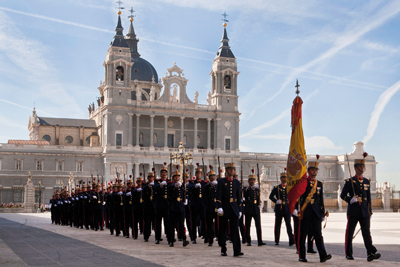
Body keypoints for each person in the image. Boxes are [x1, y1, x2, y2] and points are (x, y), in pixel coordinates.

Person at [340, 154, 381, 262]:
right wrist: (351, 200)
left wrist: (370, 211)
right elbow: (342, 195)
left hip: (364, 211)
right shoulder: (350, 182)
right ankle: (349, 253)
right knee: (350, 233)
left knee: (366, 233)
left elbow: (368, 198)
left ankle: (370, 253)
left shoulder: (367, 182)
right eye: (360, 167)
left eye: (363, 167)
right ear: (355, 167)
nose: (362, 168)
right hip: (353, 211)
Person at [295, 160, 331, 263]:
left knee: (318, 234)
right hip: (305, 212)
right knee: (303, 235)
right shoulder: (303, 182)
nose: (315, 172)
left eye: (316, 170)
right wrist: (296, 210)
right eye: (313, 170)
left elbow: (321, 199)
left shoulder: (319, 184)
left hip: (316, 213)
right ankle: (302, 256)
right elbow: (298, 196)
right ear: (309, 171)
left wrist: (322, 212)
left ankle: (323, 255)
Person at [216, 162, 243, 257]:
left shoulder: (236, 182)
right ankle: (223, 248)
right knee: (223, 230)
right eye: (230, 169)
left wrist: (240, 209)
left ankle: (237, 250)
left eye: (233, 169)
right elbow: (218, 195)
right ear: (226, 170)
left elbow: (239, 197)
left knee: (235, 230)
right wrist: (219, 206)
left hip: (234, 208)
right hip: (224, 208)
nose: (232, 171)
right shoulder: (221, 181)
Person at [269, 172, 295, 246]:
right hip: (279, 209)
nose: (284, 179)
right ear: (280, 179)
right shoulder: (277, 188)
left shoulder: (289, 187)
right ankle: (276, 240)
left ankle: (291, 240)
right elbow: (271, 196)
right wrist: (276, 201)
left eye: (285, 178)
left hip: (287, 208)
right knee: (277, 225)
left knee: (288, 225)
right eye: (283, 178)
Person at [167, 168, 189, 247]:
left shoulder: (182, 186)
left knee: (181, 224)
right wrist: (174, 186)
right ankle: (171, 240)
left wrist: (185, 199)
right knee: (171, 225)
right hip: (173, 207)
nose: (176, 178)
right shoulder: (170, 186)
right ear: (172, 178)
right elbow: (168, 195)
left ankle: (184, 239)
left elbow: (185, 193)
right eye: (175, 177)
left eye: (178, 177)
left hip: (180, 207)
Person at [243, 170, 266, 246]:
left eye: (253, 180)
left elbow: (258, 198)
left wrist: (260, 203)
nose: (252, 181)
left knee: (258, 225)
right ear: (248, 181)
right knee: (248, 225)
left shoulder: (257, 189)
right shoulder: (246, 189)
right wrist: (251, 188)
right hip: (249, 209)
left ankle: (260, 240)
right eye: (251, 180)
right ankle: (248, 240)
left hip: (256, 209)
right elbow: (245, 195)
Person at [188, 163, 207, 244]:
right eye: (197, 173)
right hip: (194, 204)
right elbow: (189, 191)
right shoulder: (192, 183)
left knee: (204, 221)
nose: (198, 174)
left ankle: (206, 236)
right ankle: (193, 237)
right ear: (195, 174)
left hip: (202, 204)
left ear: (201, 174)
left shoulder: (204, 183)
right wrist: (193, 187)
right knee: (194, 222)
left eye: (200, 173)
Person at [154, 163, 170, 244]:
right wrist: (159, 185)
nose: (164, 173)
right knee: (158, 223)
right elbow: (154, 189)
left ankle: (168, 236)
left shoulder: (169, 182)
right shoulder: (157, 182)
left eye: (165, 172)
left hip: (167, 205)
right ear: (160, 174)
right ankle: (157, 237)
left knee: (167, 222)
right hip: (159, 205)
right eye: (162, 172)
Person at [203, 165, 218, 246]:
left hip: (217, 207)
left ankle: (219, 237)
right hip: (209, 207)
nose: (212, 177)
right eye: (211, 176)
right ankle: (210, 239)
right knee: (209, 224)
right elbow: (204, 197)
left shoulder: (218, 186)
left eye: (213, 176)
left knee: (218, 224)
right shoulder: (206, 187)